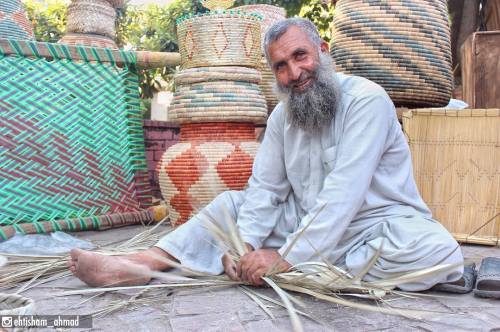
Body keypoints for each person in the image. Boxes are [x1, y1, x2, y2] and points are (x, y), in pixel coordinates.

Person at [68, 18, 464, 291]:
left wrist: (286, 256)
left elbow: (344, 194)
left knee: (439, 252)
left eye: (300, 57)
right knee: (229, 206)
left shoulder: (366, 101)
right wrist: (245, 249)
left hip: (373, 226)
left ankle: (304, 269)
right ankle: (141, 264)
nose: (294, 74)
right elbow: (265, 190)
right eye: (281, 66)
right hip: (306, 223)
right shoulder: (282, 117)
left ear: (322, 52)